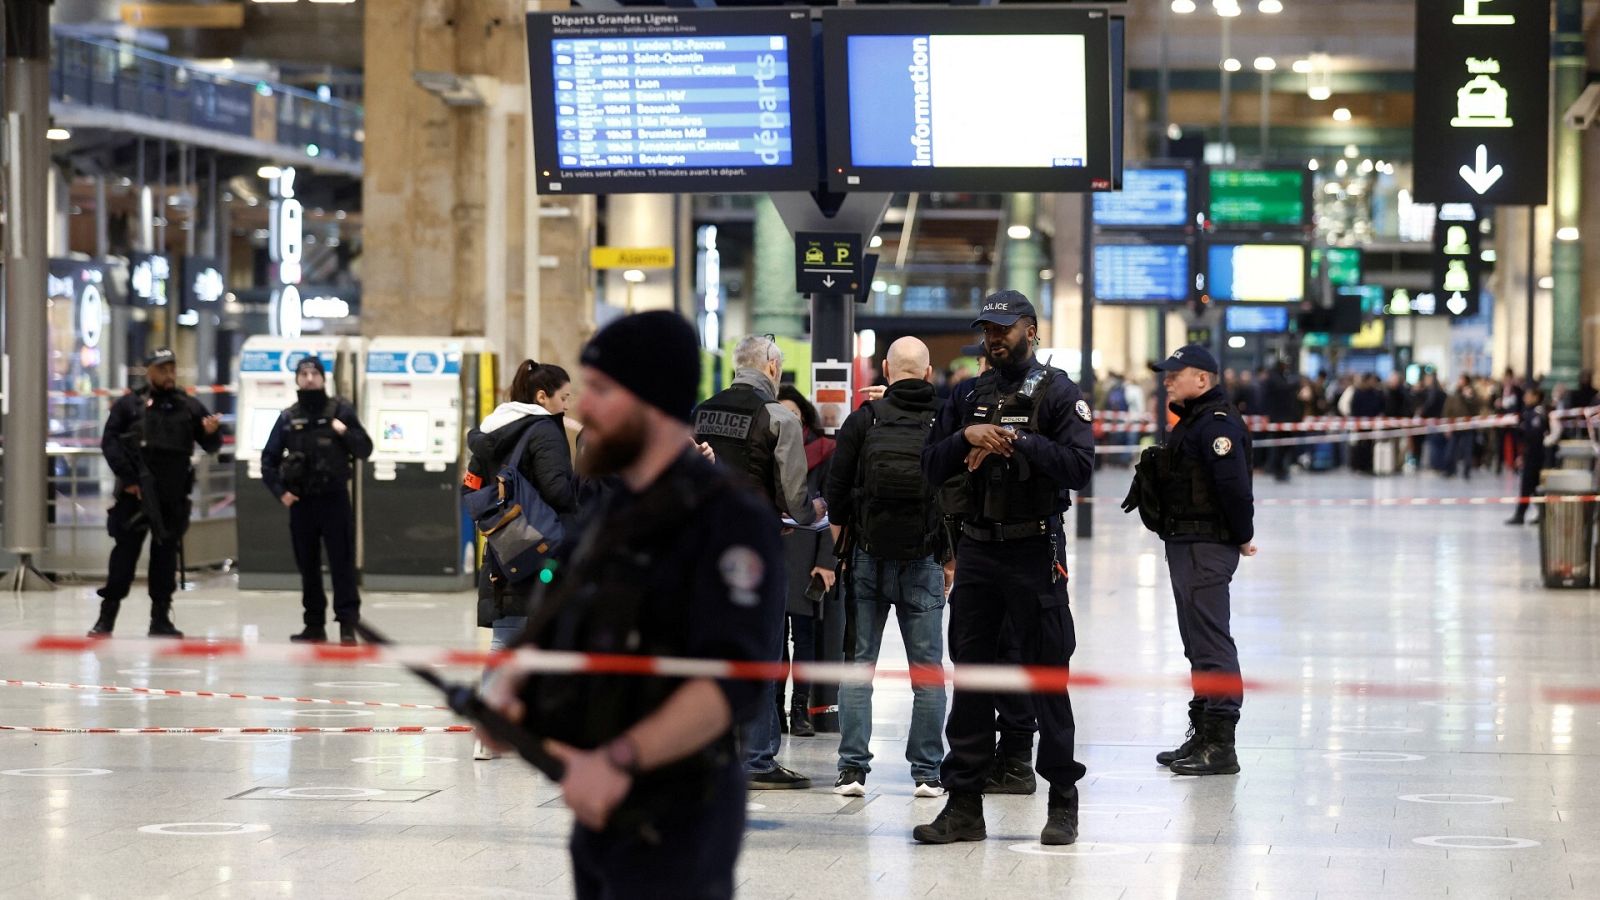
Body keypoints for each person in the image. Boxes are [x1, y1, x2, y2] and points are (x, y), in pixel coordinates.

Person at [481, 310, 784, 900]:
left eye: (600, 391)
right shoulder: (610, 512)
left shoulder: (726, 519)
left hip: (677, 815)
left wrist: (619, 760)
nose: (582, 409)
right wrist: (516, 691)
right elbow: (564, 627)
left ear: (648, 401)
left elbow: (731, 682)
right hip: (599, 816)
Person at [914, 290, 1093, 847]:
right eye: (987, 330)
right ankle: (964, 804)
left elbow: (1081, 468)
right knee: (971, 676)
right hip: (978, 553)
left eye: (1004, 329)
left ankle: (1062, 799)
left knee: (1045, 674)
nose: (994, 338)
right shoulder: (967, 394)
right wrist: (966, 436)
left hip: (1034, 551)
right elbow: (929, 464)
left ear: (1030, 330)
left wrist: (1020, 442)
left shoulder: (1060, 393)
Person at [693, 334, 823, 790]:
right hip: (757, 546)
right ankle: (758, 759)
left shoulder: (703, 411)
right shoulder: (778, 417)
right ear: (770, 367)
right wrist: (810, 514)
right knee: (764, 649)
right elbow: (795, 497)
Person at [824, 337, 949, 799]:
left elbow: (836, 491)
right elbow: (955, 491)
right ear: (929, 371)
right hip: (924, 557)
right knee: (928, 671)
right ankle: (927, 773)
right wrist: (949, 557)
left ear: (886, 370)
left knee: (859, 666)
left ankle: (852, 770)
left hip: (868, 557)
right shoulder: (944, 420)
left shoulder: (864, 419)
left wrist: (846, 544)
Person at [1124, 344, 1256, 776]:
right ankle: (1202, 733)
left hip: (1205, 544)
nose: (1166, 382)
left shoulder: (1216, 425)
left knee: (1212, 643)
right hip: (1186, 543)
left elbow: (1233, 488)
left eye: (1173, 375)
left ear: (1201, 379)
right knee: (1195, 642)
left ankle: (1221, 744)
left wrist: (1243, 535)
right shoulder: (1194, 421)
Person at [463, 360, 578, 760]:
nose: (568, 405)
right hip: (542, 548)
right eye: (564, 397)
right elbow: (559, 492)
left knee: (504, 638)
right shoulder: (545, 430)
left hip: (503, 547)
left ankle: (488, 734)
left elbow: (470, 485)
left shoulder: (490, 428)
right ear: (542, 397)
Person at [87, 348, 223, 638]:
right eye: (163, 369)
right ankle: (106, 618)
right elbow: (109, 443)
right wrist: (129, 478)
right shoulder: (129, 405)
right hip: (134, 495)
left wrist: (212, 432)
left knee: (165, 561)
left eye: (173, 369)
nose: (169, 375)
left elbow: (211, 446)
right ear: (148, 371)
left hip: (172, 498)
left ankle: (160, 618)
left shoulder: (188, 406)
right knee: (123, 558)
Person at [259, 356, 373, 645]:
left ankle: (348, 625)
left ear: (324, 378)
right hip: (302, 503)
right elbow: (268, 460)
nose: (309, 378)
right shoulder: (288, 417)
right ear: (297, 380)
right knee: (307, 567)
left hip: (334, 500)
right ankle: (314, 625)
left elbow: (365, 449)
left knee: (342, 564)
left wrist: (344, 431)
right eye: (303, 373)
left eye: (314, 373)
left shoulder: (340, 411)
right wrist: (280, 493)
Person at [774, 384, 836, 738]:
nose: (789, 421)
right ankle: (775, 711)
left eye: (794, 414)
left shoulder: (825, 452)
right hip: (776, 551)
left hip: (809, 555)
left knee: (807, 637)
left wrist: (826, 561)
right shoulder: (767, 450)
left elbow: (833, 506)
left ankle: (800, 710)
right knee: (775, 639)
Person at [1506, 384, 1556, 526]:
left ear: (1535, 397)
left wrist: (1523, 455)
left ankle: (1521, 514)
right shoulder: (1528, 412)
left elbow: (1534, 436)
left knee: (1528, 486)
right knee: (1533, 488)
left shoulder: (1537, 414)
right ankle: (1541, 514)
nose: (1525, 398)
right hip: (1530, 454)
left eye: (1528, 395)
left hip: (1535, 456)